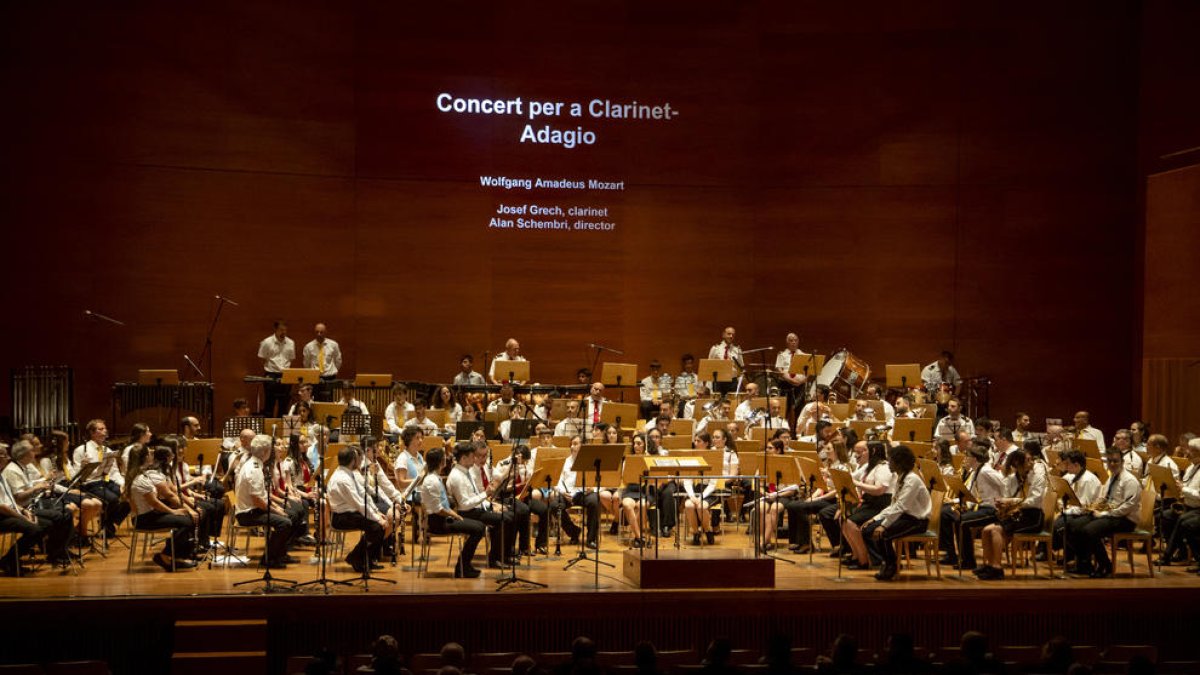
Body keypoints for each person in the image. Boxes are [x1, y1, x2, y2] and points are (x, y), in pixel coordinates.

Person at [1067, 449, 1142, 578]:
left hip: (1125, 519)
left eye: (1116, 461)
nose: (1112, 464)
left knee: (1090, 530)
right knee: (1074, 525)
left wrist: (1106, 514)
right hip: (1110, 514)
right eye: (1110, 461)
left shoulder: (1130, 480)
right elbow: (1104, 497)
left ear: (1122, 462)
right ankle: (1084, 565)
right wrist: (1095, 506)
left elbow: (1128, 506)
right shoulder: (1112, 477)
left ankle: (1105, 565)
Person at [861, 445, 931, 581]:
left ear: (900, 463)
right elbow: (894, 505)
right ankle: (886, 561)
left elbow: (901, 506)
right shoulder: (901, 477)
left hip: (917, 521)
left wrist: (884, 525)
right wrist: (875, 519)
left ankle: (891, 565)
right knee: (868, 530)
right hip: (905, 516)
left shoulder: (912, 480)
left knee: (883, 534)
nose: (888, 463)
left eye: (891, 460)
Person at [976, 448, 1047, 580]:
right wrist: (1002, 504)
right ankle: (990, 565)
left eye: (1031, 459)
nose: (1032, 463)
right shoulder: (1010, 479)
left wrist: (1011, 501)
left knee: (996, 530)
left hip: (1033, 517)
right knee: (986, 530)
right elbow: (1006, 496)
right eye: (1028, 460)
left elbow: (1035, 501)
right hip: (1016, 515)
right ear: (1017, 463)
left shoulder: (1037, 477)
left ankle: (997, 568)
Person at [127, 444, 198, 571]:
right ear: (145, 457)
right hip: (144, 519)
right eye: (150, 453)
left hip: (150, 515)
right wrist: (173, 511)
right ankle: (165, 556)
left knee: (187, 518)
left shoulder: (143, 475)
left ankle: (178, 557)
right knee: (185, 521)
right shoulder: (140, 479)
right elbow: (155, 503)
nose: (152, 455)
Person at [417, 447, 484, 578]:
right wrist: (455, 515)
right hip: (438, 523)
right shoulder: (431, 481)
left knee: (480, 526)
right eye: (444, 458)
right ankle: (462, 568)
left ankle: (464, 565)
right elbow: (438, 509)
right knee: (478, 529)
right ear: (441, 462)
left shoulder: (435, 477)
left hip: (444, 518)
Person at [446, 442, 516, 568]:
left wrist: (491, 505)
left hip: (475, 508)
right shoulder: (457, 476)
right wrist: (486, 493)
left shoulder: (465, 472)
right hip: (466, 512)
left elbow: (475, 495)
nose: (475, 459)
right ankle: (494, 559)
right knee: (504, 520)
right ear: (463, 458)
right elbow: (464, 505)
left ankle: (502, 556)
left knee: (509, 515)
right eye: (473, 456)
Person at [938, 443, 1005, 570]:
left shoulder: (986, 471)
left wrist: (1002, 501)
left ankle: (968, 560)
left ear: (974, 458)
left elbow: (1004, 483)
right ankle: (961, 557)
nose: (965, 459)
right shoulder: (976, 471)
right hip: (980, 507)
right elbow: (971, 495)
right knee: (949, 514)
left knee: (961, 521)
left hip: (991, 509)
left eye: (967, 456)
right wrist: (954, 501)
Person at [235, 434, 294, 568]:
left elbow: (262, 496)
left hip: (254, 509)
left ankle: (279, 555)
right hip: (247, 514)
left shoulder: (254, 463)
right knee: (284, 523)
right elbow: (258, 501)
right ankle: (269, 559)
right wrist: (276, 511)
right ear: (266, 452)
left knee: (289, 516)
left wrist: (277, 509)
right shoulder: (254, 469)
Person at [327, 445, 387, 573]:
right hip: (341, 517)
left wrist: (376, 512)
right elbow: (359, 503)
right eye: (359, 459)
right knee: (376, 527)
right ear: (353, 461)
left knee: (379, 525)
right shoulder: (343, 479)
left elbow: (364, 495)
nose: (361, 461)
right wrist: (377, 518)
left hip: (351, 512)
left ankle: (364, 559)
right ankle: (356, 557)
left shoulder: (349, 473)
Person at [840, 441, 894, 570]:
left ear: (873, 451)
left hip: (881, 503)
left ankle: (864, 560)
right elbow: (851, 477)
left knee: (851, 524)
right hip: (870, 502)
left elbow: (880, 489)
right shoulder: (869, 466)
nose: (860, 454)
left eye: (865, 450)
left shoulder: (884, 467)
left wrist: (856, 483)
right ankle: (856, 556)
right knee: (844, 521)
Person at [72, 419, 129, 538]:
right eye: (101, 429)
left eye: (105, 428)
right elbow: (76, 476)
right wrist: (83, 467)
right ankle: (106, 526)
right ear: (92, 433)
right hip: (89, 483)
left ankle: (107, 523)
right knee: (112, 499)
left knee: (129, 496)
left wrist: (123, 484)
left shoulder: (107, 450)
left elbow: (114, 472)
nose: (105, 431)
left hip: (104, 481)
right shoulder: (81, 450)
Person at [1050, 449, 1101, 564]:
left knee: (1063, 525)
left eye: (1067, 464)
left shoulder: (1087, 480)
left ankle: (1082, 558)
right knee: (1057, 523)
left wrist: (1065, 511)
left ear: (1077, 465)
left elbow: (1084, 507)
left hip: (1090, 513)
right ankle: (1071, 554)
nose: (1065, 466)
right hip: (1076, 511)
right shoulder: (1071, 476)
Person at [555, 436, 601, 548]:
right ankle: (574, 531)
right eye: (571, 444)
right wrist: (562, 492)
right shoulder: (565, 462)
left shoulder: (592, 461)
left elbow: (601, 480)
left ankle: (591, 539)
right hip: (567, 493)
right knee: (554, 506)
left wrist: (593, 489)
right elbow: (557, 480)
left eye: (575, 444)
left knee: (594, 501)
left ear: (582, 446)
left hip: (583, 494)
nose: (572, 446)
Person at [257, 320, 295, 417]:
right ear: (275, 330)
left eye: (285, 330)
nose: (283, 332)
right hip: (271, 375)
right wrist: (270, 368)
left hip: (286, 375)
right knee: (269, 404)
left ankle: (282, 430)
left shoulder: (290, 343)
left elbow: (291, 359)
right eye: (281, 330)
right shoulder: (267, 342)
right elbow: (261, 358)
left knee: (284, 405)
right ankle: (268, 430)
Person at [302, 322, 341, 400]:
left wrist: (332, 371)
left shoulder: (333, 345)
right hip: (315, 380)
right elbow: (306, 364)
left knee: (330, 402)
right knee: (316, 402)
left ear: (326, 332)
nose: (319, 334)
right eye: (317, 332)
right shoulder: (308, 346)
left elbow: (338, 360)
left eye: (321, 332)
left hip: (330, 378)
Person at [775, 333, 809, 420]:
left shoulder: (803, 355)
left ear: (798, 342)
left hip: (800, 385)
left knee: (799, 410)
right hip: (785, 385)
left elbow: (808, 371)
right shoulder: (781, 354)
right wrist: (790, 380)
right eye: (791, 340)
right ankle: (783, 429)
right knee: (784, 409)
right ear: (787, 342)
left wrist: (801, 381)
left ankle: (797, 432)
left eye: (795, 340)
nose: (793, 342)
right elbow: (779, 370)